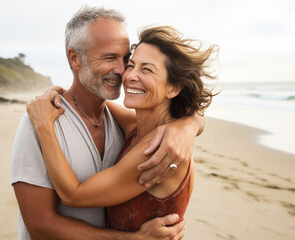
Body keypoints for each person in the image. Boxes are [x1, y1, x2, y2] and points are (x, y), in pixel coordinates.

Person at [12, 6, 204, 239]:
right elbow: (40, 225)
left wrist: (189, 125)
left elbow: (74, 195)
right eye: (111, 58)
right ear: (74, 58)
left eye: (126, 59)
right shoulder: (128, 125)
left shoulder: (158, 146)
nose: (124, 71)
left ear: (174, 87)